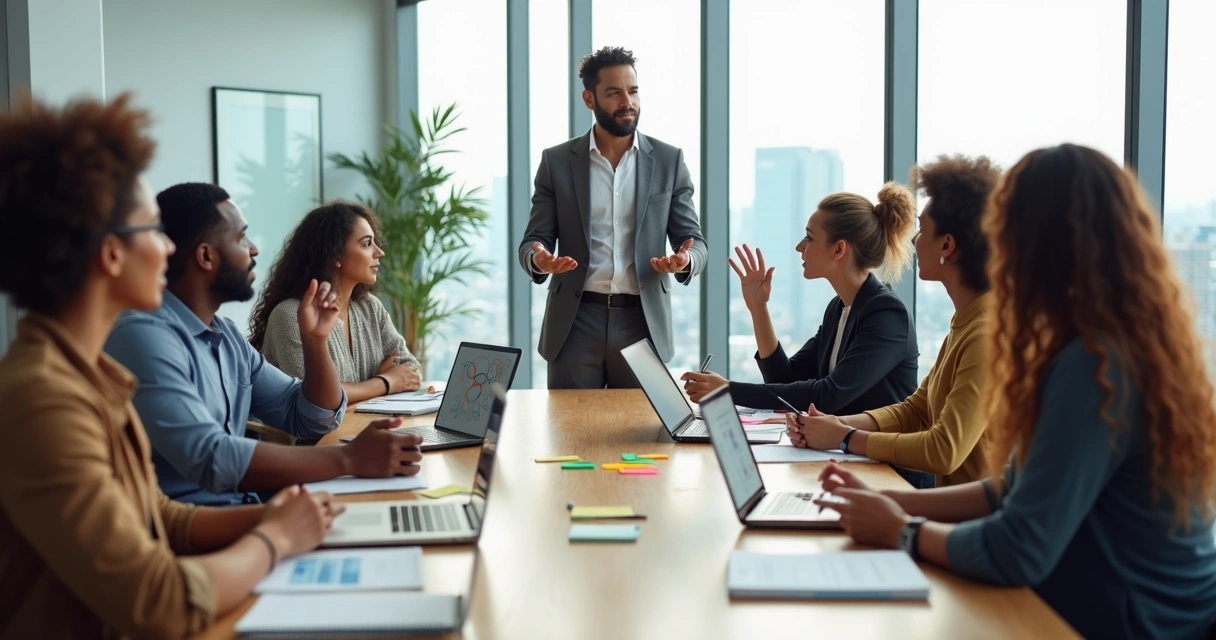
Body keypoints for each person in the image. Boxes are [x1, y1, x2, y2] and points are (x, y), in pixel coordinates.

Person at [814, 144, 1216, 640]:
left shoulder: (1096, 364)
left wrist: (900, 531)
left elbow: (1017, 547)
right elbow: (1008, 490)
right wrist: (896, 505)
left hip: (1136, 624)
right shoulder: (1107, 344)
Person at [0, 94, 342, 638]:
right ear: (112, 254)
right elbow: (157, 602)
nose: (168, 248)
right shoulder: (44, 399)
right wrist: (275, 540)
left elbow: (156, 514)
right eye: (152, 231)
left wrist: (279, 519)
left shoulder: (86, 375)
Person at [105, 183, 423, 506]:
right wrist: (348, 459)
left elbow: (311, 417)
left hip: (248, 511)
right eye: (241, 237)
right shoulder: (143, 337)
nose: (254, 249)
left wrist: (316, 342)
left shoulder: (227, 338)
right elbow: (211, 457)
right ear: (205, 256)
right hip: (198, 534)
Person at [787, 155, 1001, 487]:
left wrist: (845, 438)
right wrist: (835, 425)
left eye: (923, 229)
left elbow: (944, 450)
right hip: (941, 510)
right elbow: (914, 411)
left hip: (960, 523)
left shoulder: (986, 334)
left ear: (947, 245)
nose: (914, 240)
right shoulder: (965, 323)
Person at [520, 46, 708, 388]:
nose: (627, 101)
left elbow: (695, 243)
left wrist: (684, 260)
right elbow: (533, 241)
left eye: (633, 91)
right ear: (589, 99)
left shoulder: (668, 161)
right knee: (571, 435)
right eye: (614, 93)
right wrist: (539, 258)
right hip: (575, 323)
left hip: (643, 321)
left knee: (640, 436)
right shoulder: (557, 162)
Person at [680, 184, 919, 418]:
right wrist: (758, 308)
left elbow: (829, 395)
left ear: (838, 250)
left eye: (809, 238)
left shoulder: (886, 313)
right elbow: (784, 380)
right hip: (841, 452)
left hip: (879, 456)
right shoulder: (838, 308)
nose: (799, 247)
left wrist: (727, 390)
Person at [249, 201, 422, 404]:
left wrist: (359, 388)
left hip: (362, 429)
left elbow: (411, 371)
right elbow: (315, 399)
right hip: (310, 436)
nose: (379, 252)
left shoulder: (370, 307)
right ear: (336, 254)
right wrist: (385, 382)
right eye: (367, 244)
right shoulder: (289, 316)